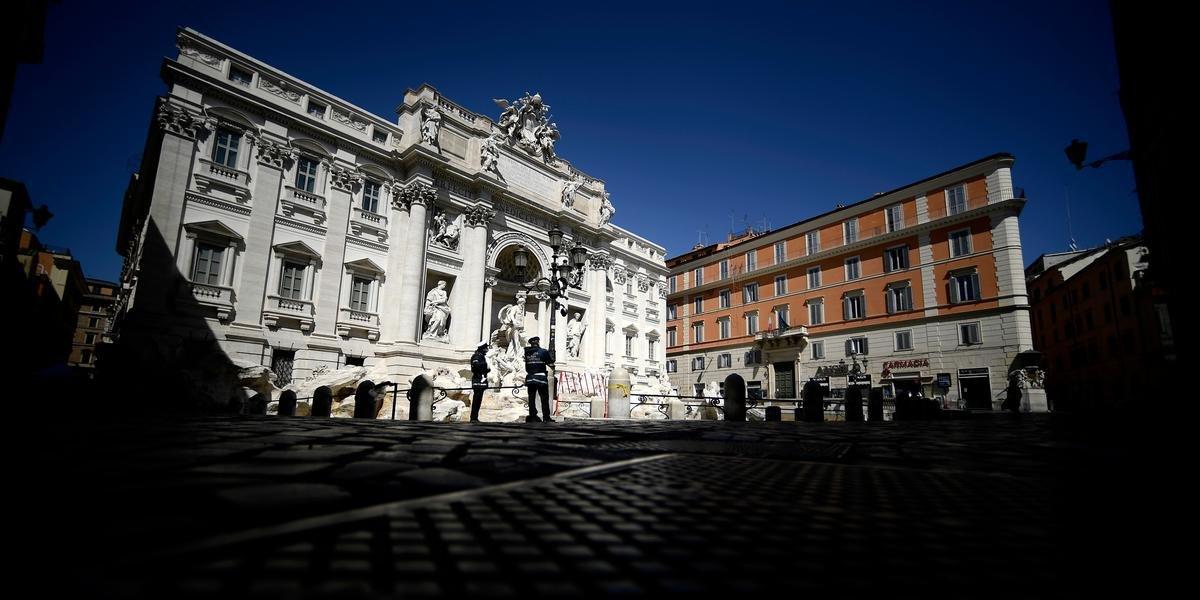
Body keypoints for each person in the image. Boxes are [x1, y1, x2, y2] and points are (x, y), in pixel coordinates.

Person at [524, 336, 554, 423]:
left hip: (530, 377)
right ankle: (546, 417)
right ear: (538, 342)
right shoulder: (543, 351)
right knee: (544, 398)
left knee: (531, 398)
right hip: (541, 377)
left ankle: (532, 415)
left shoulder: (527, 352)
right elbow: (550, 362)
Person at [469, 340, 490, 422]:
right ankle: (473, 418)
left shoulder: (481, 356)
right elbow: (476, 366)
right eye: (486, 348)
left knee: (478, 400)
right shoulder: (476, 356)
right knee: (476, 400)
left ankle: (475, 417)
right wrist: (486, 366)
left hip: (480, 381)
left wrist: (487, 369)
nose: (487, 349)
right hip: (478, 380)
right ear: (482, 348)